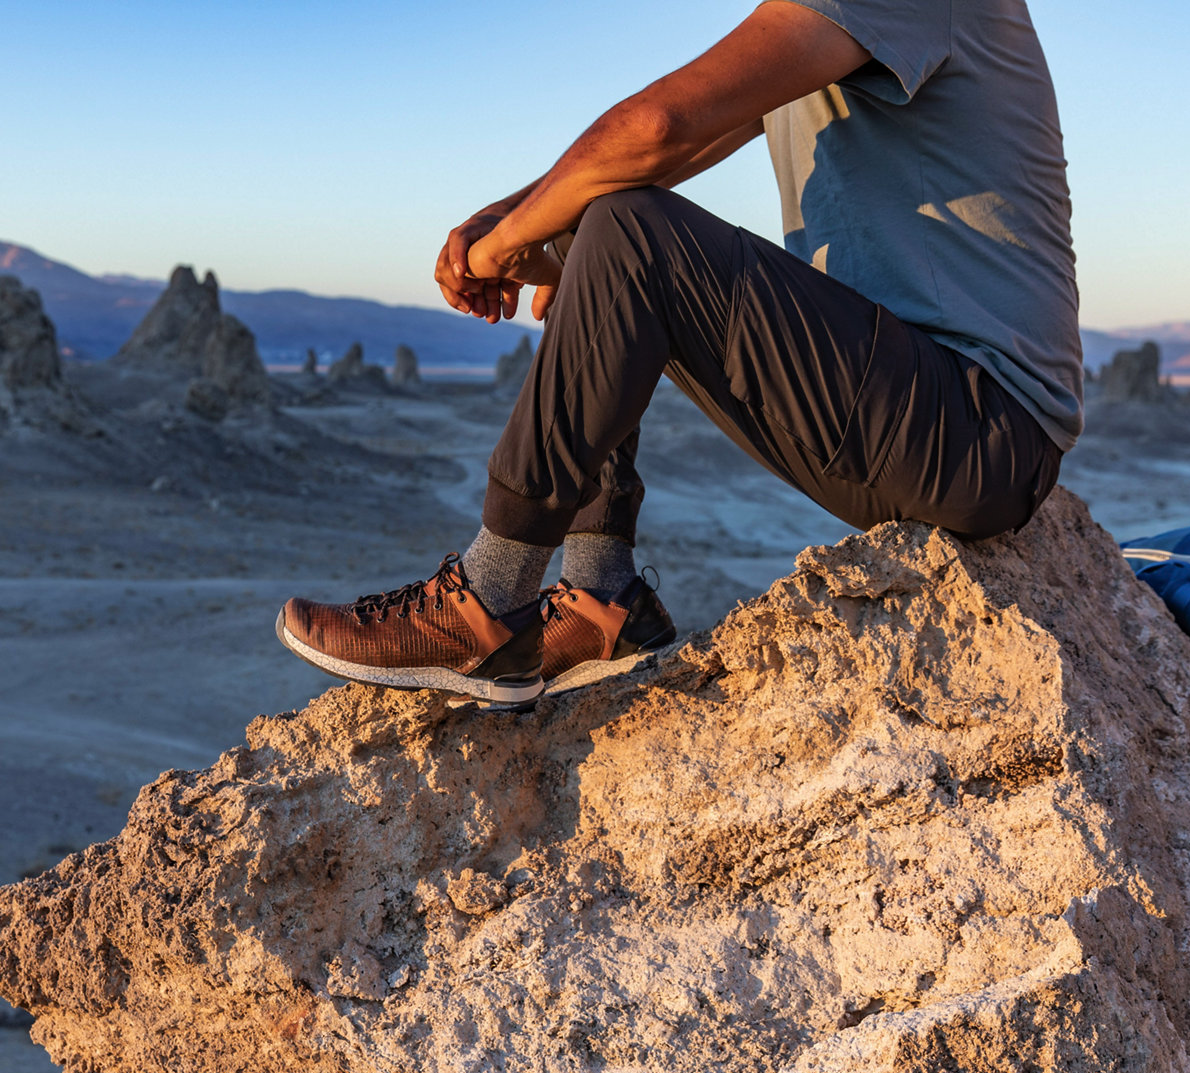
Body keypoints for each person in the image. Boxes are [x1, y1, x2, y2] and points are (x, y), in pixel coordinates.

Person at [277, 0, 1082, 709]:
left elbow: (659, 131)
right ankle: (601, 599)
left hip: (979, 427)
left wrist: (511, 239)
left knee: (628, 232)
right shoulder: (839, 28)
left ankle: (489, 603)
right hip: (927, 423)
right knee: (602, 228)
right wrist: (526, 216)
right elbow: (675, 146)